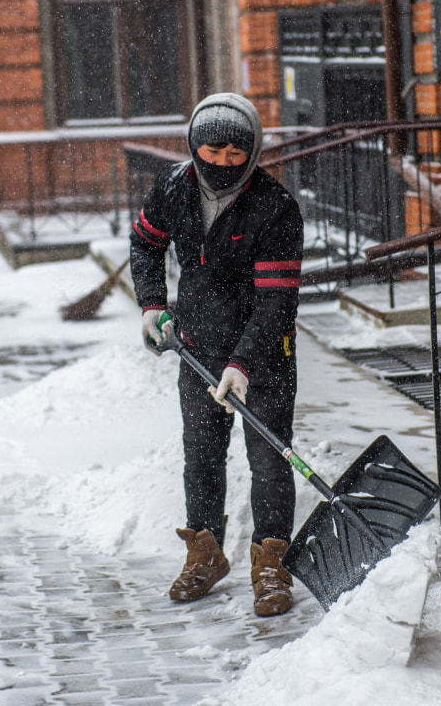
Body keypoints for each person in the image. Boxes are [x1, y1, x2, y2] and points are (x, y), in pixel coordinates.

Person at [131, 93, 304, 617]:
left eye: (236, 154)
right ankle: (205, 555)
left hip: (265, 353)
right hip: (196, 346)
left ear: (250, 153)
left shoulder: (275, 207)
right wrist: (152, 305)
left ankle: (272, 565)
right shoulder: (172, 188)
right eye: (212, 152)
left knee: (269, 461)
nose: (223, 164)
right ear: (194, 146)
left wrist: (242, 365)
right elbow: (145, 244)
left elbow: (277, 300)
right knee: (201, 456)